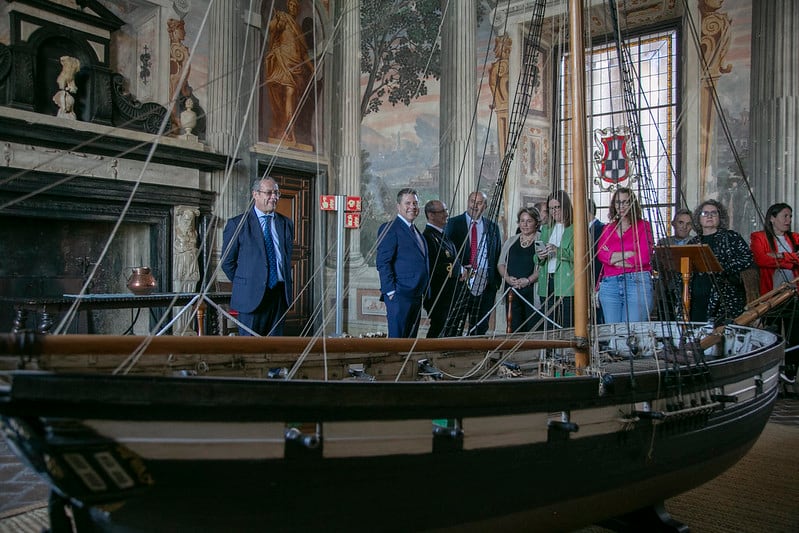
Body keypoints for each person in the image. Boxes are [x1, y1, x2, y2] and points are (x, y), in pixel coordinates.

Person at [222, 177, 294, 336]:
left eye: (276, 193)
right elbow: (227, 262)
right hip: (251, 298)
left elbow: (286, 257)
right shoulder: (237, 224)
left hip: (279, 296)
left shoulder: (286, 223)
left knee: (275, 349)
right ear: (255, 194)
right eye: (269, 193)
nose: (274, 197)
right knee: (250, 349)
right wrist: (247, 283)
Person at [750, 202, 799, 381]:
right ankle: (771, 374)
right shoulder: (759, 237)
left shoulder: (795, 238)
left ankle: (790, 373)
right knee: (772, 336)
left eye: (790, 216)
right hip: (771, 295)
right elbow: (761, 259)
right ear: (772, 218)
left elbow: (773, 259)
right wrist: (792, 259)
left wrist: (779, 256)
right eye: (785, 216)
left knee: (795, 336)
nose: (788, 220)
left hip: (794, 294)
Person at [445, 191, 503, 335]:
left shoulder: (493, 227)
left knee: (480, 328)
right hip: (460, 283)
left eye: (479, 203)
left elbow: (497, 254)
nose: (474, 206)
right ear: (467, 202)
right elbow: (446, 254)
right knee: (453, 327)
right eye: (472, 201)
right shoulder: (453, 224)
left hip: (486, 286)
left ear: (486, 206)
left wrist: (495, 283)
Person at [687, 199, 753, 323]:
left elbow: (747, 258)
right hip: (697, 299)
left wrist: (722, 267)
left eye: (714, 213)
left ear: (720, 217)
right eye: (705, 213)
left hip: (725, 299)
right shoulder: (693, 242)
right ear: (698, 219)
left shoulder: (731, 237)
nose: (709, 216)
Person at [376, 188, 430, 338]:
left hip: (416, 295)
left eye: (415, 203)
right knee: (397, 341)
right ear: (398, 206)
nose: (412, 207)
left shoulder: (417, 232)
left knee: (410, 342)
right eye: (407, 203)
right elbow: (382, 262)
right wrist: (391, 292)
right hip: (399, 296)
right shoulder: (390, 228)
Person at [596, 187, 655, 323]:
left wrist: (613, 258)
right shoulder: (608, 228)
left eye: (625, 202)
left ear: (632, 203)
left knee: (632, 332)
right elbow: (602, 255)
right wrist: (628, 253)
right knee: (614, 332)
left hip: (637, 281)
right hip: (610, 283)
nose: (621, 206)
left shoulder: (643, 226)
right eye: (618, 202)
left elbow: (644, 257)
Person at [265, 0, 315, 144]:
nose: (293, 8)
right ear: (288, 6)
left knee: (291, 97)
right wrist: (277, 24)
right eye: (291, 5)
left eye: (295, 6)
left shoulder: (298, 28)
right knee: (284, 96)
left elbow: (304, 54)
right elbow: (271, 28)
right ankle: (287, 131)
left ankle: (288, 131)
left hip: (295, 67)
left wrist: (312, 68)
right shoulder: (282, 18)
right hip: (282, 63)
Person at [422, 200, 466, 337]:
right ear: (431, 215)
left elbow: (453, 258)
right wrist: (459, 270)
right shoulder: (428, 237)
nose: (446, 214)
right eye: (442, 212)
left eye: (446, 210)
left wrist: (462, 268)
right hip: (439, 294)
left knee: (449, 330)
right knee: (439, 329)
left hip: (450, 293)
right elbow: (435, 266)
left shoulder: (442, 235)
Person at [535, 190, 574, 328]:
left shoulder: (576, 228)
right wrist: (540, 256)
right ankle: (550, 350)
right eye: (550, 208)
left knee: (566, 323)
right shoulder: (546, 229)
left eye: (557, 207)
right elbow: (536, 257)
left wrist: (559, 252)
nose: (554, 211)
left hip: (565, 281)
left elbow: (581, 256)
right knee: (549, 324)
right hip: (547, 281)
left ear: (565, 207)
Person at [498, 207, 541, 332]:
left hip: (531, 291)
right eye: (522, 221)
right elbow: (501, 263)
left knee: (532, 328)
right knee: (514, 328)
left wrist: (528, 280)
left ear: (536, 222)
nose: (525, 224)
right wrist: (507, 278)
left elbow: (543, 268)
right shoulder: (511, 241)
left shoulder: (541, 239)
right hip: (512, 290)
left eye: (529, 221)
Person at [655, 208, 694, 320]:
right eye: (680, 222)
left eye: (688, 224)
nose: (684, 227)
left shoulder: (695, 242)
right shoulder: (663, 242)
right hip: (667, 289)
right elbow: (655, 264)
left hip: (688, 290)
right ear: (673, 223)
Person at [588, 198, 606, 323]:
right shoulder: (578, 229)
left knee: (597, 311)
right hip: (584, 276)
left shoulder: (602, 228)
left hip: (596, 274)